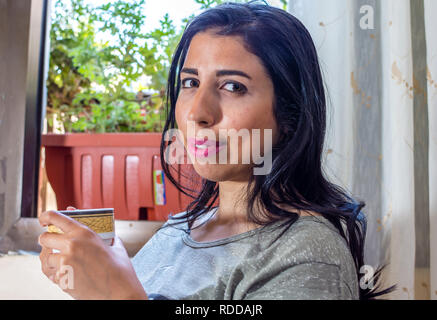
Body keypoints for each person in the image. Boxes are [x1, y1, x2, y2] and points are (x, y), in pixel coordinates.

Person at [38, 1, 394, 300]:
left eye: (232, 86)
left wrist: (116, 294)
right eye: (190, 82)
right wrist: (94, 275)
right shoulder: (179, 230)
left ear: (289, 115)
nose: (197, 112)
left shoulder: (307, 256)